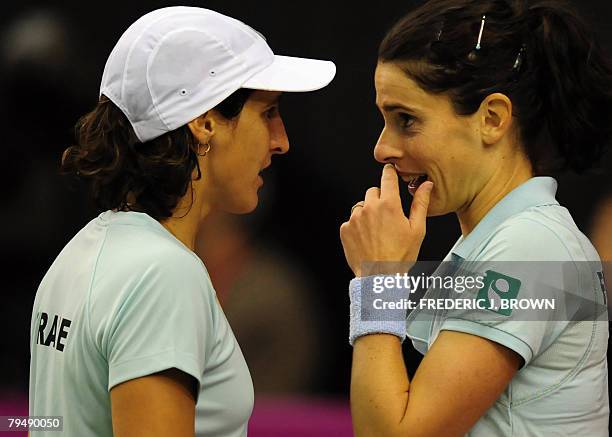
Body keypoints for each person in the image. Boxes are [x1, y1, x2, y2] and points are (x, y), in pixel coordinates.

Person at [28, 6, 335, 437]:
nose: (281, 140)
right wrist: (384, 280)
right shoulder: (165, 274)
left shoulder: (77, 254)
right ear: (205, 122)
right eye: (268, 113)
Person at [340, 0, 612, 435]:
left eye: (406, 120)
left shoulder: (527, 247)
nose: (382, 148)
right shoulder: (504, 240)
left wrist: (378, 281)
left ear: (492, 119)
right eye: (384, 119)